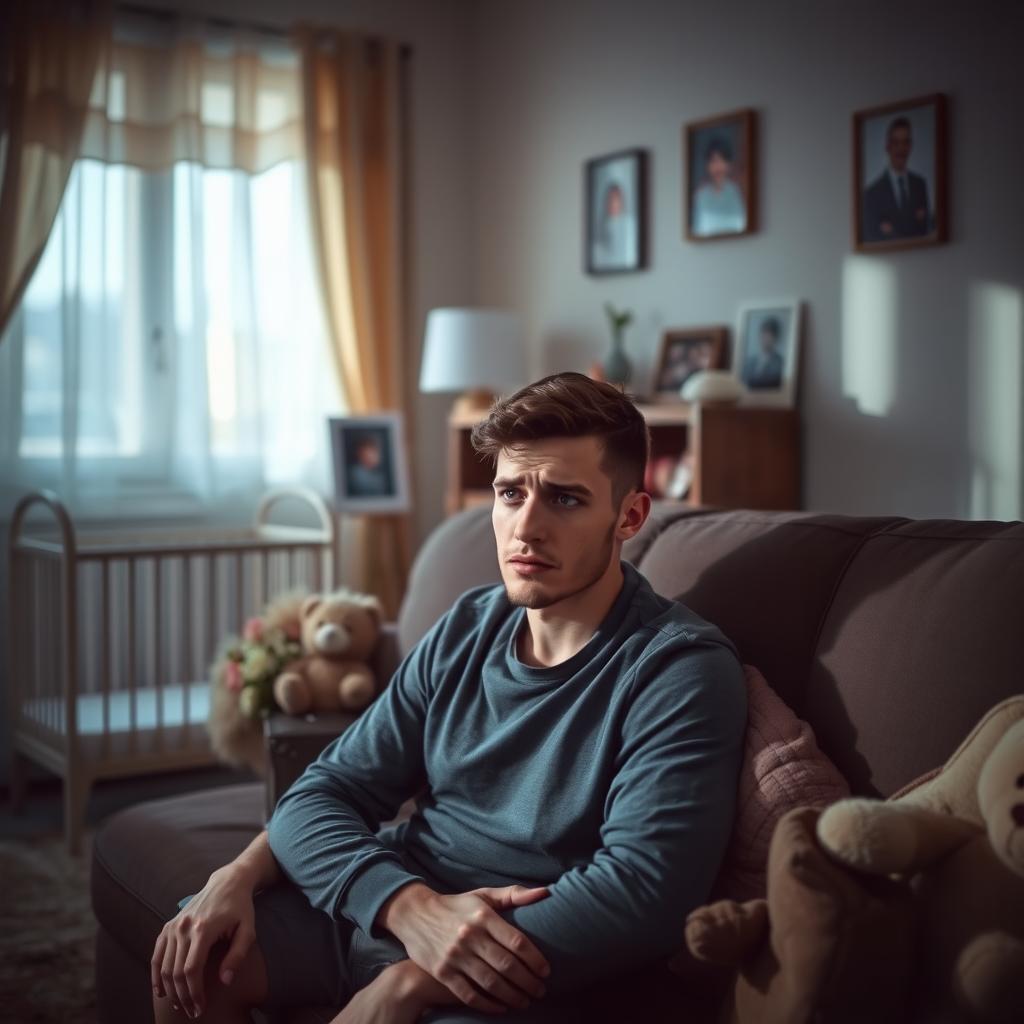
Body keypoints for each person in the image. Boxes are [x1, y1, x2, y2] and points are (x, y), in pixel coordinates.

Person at [150, 372, 746, 1024]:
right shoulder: (470, 625)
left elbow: (643, 895)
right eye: (511, 493)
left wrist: (411, 983)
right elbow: (325, 791)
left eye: (565, 499)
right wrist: (406, 909)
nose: (527, 527)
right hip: (402, 904)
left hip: (518, 957)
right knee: (195, 954)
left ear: (629, 515)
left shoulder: (678, 669)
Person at [861, 116, 931, 243]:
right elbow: (872, 238)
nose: (901, 149)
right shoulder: (872, 193)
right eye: (896, 143)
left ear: (910, 146)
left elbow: (925, 231)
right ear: (888, 147)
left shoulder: (919, 185)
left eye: (905, 142)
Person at [690, 136, 746, 236]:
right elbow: (697, 229)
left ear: (729, 165)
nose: (718, 166)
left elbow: (741, 225)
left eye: (722, 161)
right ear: (707, 165)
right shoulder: (701, 195)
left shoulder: (737, 192)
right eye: (713, 161)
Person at [591, 180, 637, 269]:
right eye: (610, 199)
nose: (612, 203)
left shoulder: (629, 224)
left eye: (616, 199)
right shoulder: (600, 225)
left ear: (621, 201)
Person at [743, 317, 784, 390]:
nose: (765, 338)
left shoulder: (779, 362)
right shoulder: (750, 361)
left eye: (769, 335)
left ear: (775, 338)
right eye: (763, 334)